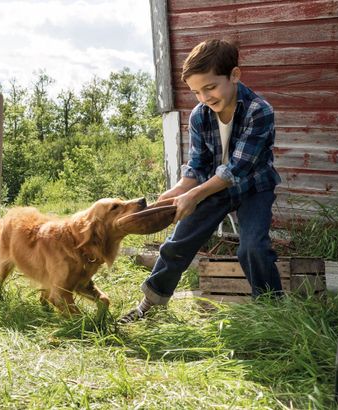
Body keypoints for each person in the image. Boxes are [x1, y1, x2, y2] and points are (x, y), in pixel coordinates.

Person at [119, 39, 282, 323]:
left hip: (254, 186)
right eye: (196, 91)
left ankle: (271, 311)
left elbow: (236, 170)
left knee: (253, 247)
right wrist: (170, 198)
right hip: (214, 187)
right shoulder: (199, 116)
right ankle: (152, 305)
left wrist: (193, 196)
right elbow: (196, 169)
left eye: (210, 87)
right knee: (176, 243)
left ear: (234, 75)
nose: (205, 97)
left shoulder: (259, 111)